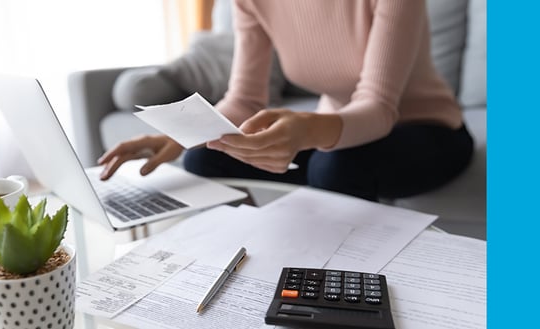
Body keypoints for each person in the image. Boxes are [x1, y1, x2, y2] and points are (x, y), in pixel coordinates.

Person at [97, 0, 473, 202]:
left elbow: (378, 107)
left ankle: (337, 290)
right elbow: (244, 100)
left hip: (428, 131)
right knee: (205, 157)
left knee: (334, 167)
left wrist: (308, 128)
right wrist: (180, 135)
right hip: (338, 134)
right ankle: (242, 268)